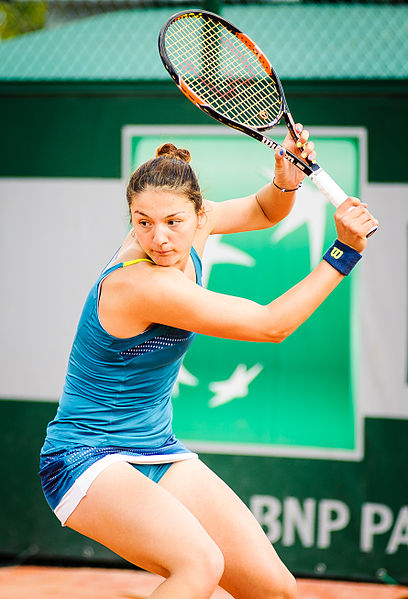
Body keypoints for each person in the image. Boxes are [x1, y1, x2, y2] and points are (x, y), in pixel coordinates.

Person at [39, 126, 378, 599]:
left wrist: (286, 180)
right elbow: (271, 326)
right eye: (142, 222)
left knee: (277, 590)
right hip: (84, 458)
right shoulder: (142, 285)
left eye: (173, 222)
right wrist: (344, 252)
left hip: (154, 448)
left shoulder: (197, 227)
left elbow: (264, 210)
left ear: (200, 215)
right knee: (199, 565)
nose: (158, 238)